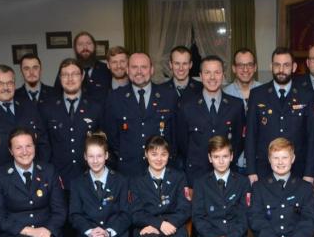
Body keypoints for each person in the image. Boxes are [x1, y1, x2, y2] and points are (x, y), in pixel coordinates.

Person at [39, 58, 104, 237]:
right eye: (65, 74)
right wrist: (49, 174)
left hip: (88, 175)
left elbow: (102, 141)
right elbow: (44, 144)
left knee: (88, 217)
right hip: (60, 176)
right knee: (65, 220)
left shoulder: (95, 106)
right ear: (59, 78)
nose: (70, 78)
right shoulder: (48, 107)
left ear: (82, 77)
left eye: (74, 74)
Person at [245, 47, 314, 184]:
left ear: (294, 67)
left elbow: (311, 136)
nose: (281, 69)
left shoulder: (307, 95)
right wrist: (251, 170)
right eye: (277, 65)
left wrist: (309, 173)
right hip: (264, 169)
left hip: (298, 169)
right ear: (271, 66)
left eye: (286, 65)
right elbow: (250, 136)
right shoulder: (257, 94)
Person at [103, 52, 178, 177]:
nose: (139, 71)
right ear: (127, 70)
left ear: (152, 69)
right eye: (134, 67)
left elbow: (174, 136)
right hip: (128, 172)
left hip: (162, 171)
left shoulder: (169, 96)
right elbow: (111, 137)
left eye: (144, 67)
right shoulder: (115, 97)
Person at [176, 55, 245, 184]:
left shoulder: (236, 105)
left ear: (223, 75)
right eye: (207, 73)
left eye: (217, 72)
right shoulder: (186, 106)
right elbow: (182, 143)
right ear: (201, 76)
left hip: (227, 175)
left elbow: (238, 142)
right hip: (196, 176)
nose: (212, 77)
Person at [223, 48, 262, 174]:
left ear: (255, 67)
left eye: (249, 65)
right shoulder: (224, 95)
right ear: (234, 68)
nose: (245, 69)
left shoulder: (265, 92)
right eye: (240, 65)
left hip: (259, 163)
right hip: (231, 163)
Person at [53, 31, 112, 101]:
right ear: (75, 48)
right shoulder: (66, 70)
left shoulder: (106, 69)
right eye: (80, 44)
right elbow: (57, 95)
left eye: (88, 43)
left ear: (95, 46)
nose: (85, 47)